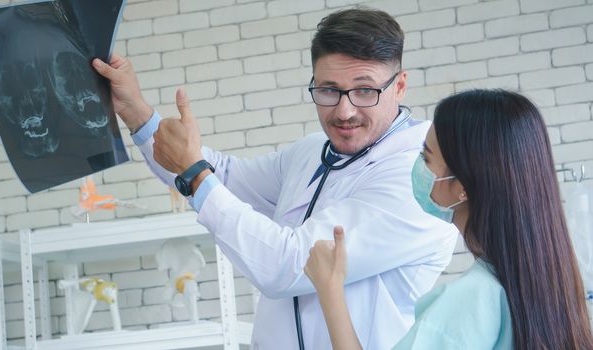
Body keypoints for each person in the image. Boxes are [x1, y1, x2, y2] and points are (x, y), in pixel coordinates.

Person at [92, 8, 458, 349]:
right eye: (328, 90)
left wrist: (193, 171)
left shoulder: (420, 180)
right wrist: (135, 110)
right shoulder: (312, 152)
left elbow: (288, 265)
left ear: (399, 86)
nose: (344, 111)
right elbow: (226, 179)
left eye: (365, 90)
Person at [304, 89, 593, 349]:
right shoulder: (555, 285)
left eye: (426, 158)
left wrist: (330, 289)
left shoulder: (469, 302)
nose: (418, 168)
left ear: (462, 186)